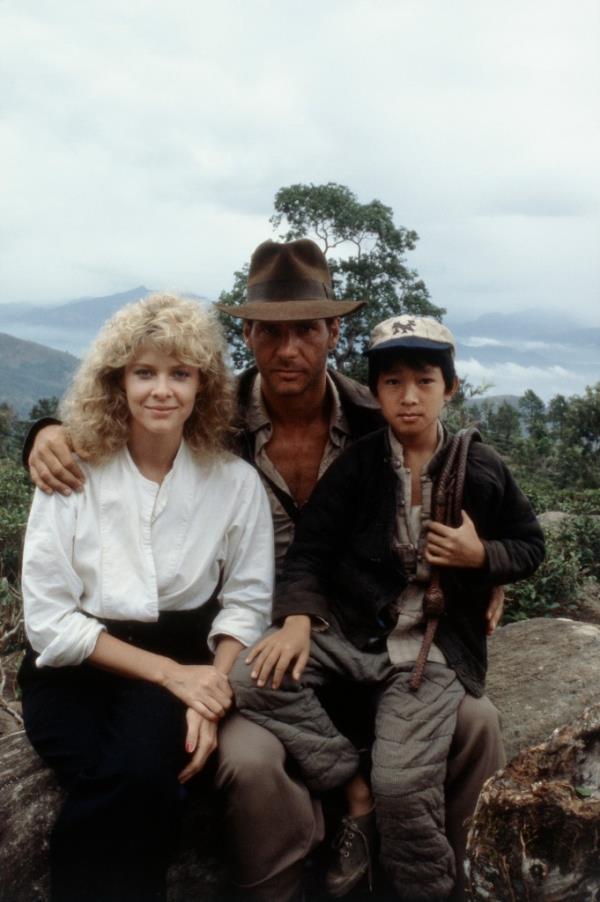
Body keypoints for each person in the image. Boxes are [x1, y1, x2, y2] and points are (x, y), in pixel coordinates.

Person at [25, 239, 506, 901]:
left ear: (332, 332)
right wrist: (48, 432)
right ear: (246, 334)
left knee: (475, 722)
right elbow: (132, 423)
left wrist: (489, 567)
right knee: (247, 764)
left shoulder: (379, 417)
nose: (288, 350)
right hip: (262, 659)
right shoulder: (214, 426)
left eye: (306, 331)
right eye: (271, 332)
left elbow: (464, 474)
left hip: (376, 640)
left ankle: (458, 884)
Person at [231, 314, 545, 900]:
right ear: (374, 392)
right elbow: (312, 550)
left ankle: (423, 888)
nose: (409, 398)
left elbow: (530, 545)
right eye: (393, 383)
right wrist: (300, 619)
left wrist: (482, 557)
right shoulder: (360, 464)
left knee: (403, 786)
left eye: (425, 382)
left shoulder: (480, 466)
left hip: (428, 649)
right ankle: (351, 786)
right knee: (249, 676)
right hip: (355, 636)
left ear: (450, 388)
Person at [18, 294, 274, 902]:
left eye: (179, 373)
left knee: (140, 775)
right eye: (144, 372)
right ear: (118, 382)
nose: (162, 390)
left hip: (183, 659)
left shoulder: (234, 483)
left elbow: (247, 601)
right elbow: (51, 621)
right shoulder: (71, 472)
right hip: (74, 668)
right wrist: (176, 679)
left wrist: (208, 693)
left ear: (204, 386)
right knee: (143, 786)